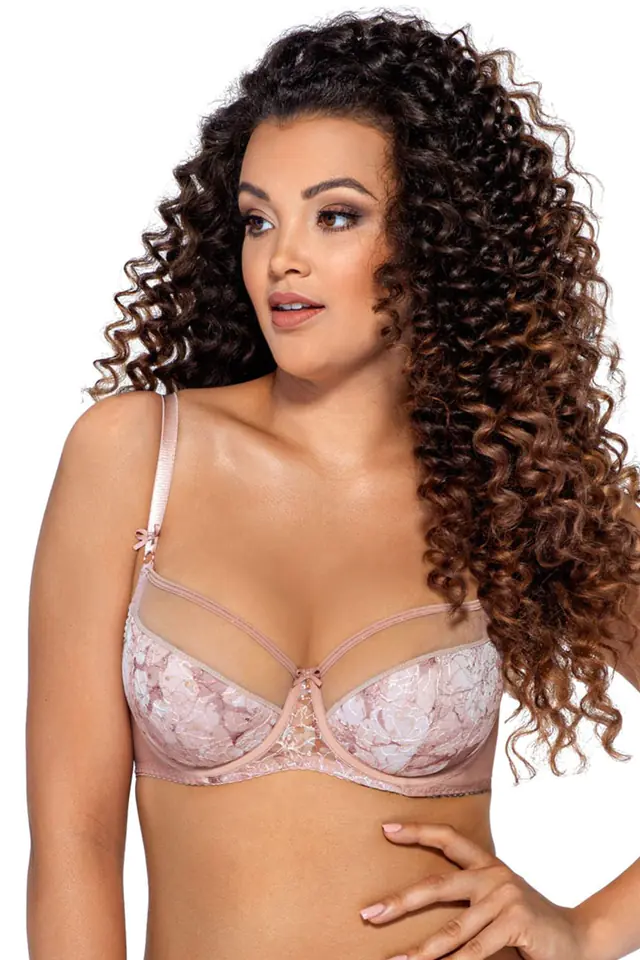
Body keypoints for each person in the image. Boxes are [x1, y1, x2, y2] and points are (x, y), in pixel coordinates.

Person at [25, 9, 640, 960]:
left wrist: (592, 930)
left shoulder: (512, 487)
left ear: (437, 237)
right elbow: (73, 842)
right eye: (258, 218)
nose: (283, 257)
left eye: (337, 215)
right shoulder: (135, 457)